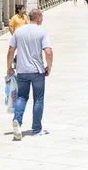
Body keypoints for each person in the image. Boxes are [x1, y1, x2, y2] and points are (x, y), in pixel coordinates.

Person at [6, 8, 53, 139]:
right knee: (38, 99)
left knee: (22, 97)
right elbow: (48, 51)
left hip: (21, 70)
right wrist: (49, 67)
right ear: (37, 18)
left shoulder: (19, 31)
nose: (42, 19)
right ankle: (37, 129)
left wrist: (9, 67)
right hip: (37, 71)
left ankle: (17, 120)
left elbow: (11, 50)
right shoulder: (42, 32)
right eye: (41, 17)